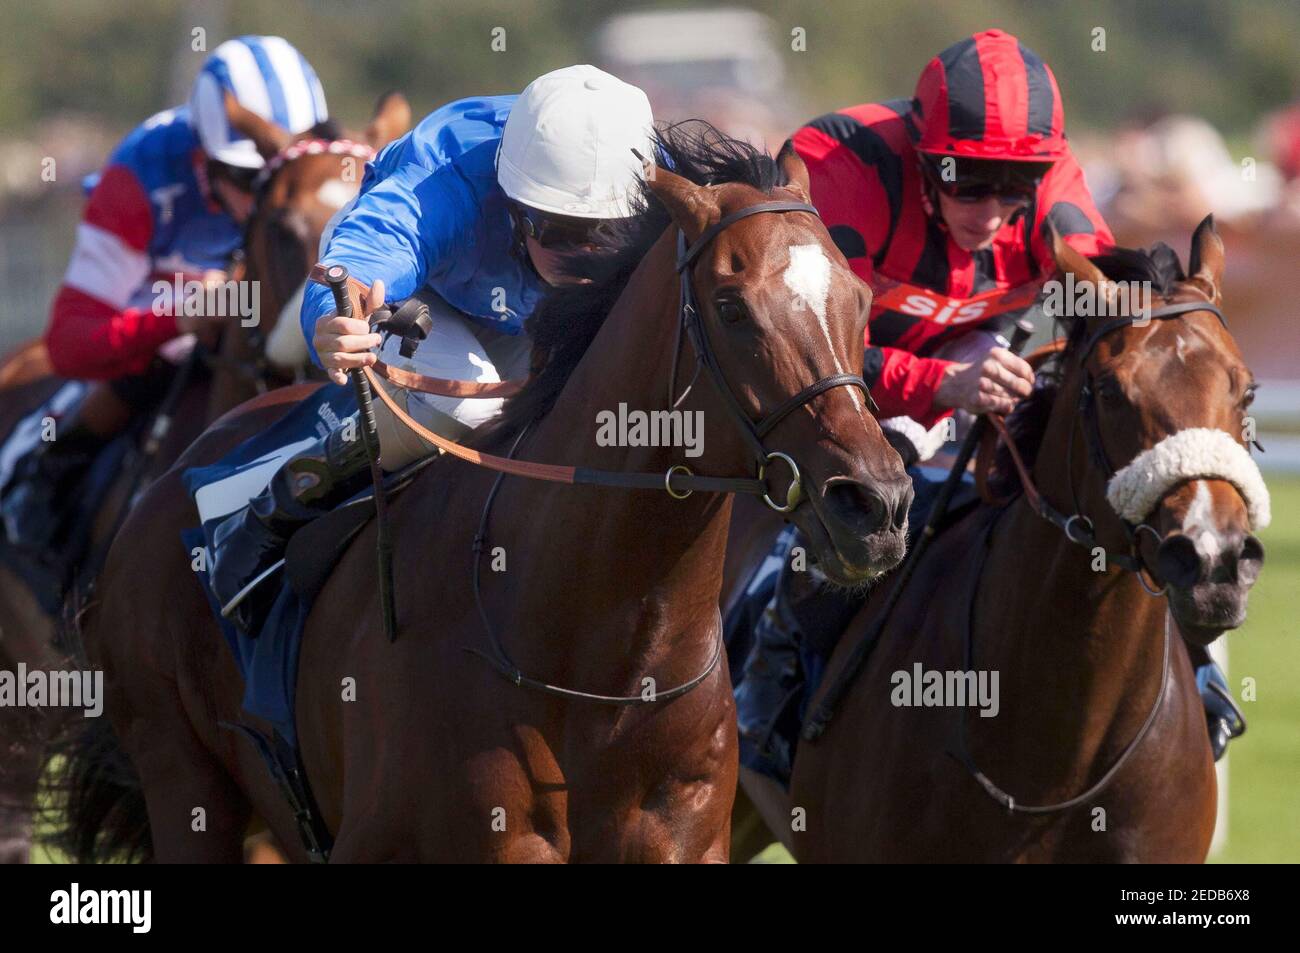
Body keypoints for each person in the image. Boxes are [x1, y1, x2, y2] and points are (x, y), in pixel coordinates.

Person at [735, 29, 1240, 786]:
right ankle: (772, 670)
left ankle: (1191, 666)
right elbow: (808, 347)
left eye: (1015, 185)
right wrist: (933, 384)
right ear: (920, 153)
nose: (994, 208)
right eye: (966, 181)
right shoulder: (838, 166)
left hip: (979, 357)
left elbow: (1107, 312)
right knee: (866, 494)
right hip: (833, 378)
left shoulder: (1054, 192)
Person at [208, 65, 656, 633]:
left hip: (526, 309)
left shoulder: (639, 161)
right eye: (563, 233)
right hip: (427, 293)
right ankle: (280, 503)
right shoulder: (443, 185)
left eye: (612, 236)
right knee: (475, 411)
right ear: (515, 208)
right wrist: (333, 318)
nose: (586, 259)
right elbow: (360, 261)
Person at [1, 36, 329, 552]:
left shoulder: (323, 175)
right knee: (157, 363)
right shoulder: (141, 175)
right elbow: (68, 344)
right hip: (156, 302)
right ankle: (46, 486)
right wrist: (177, 319)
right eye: (246, 178)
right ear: (206, 155)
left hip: (238, 302)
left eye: (280, 174)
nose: (265, 197)